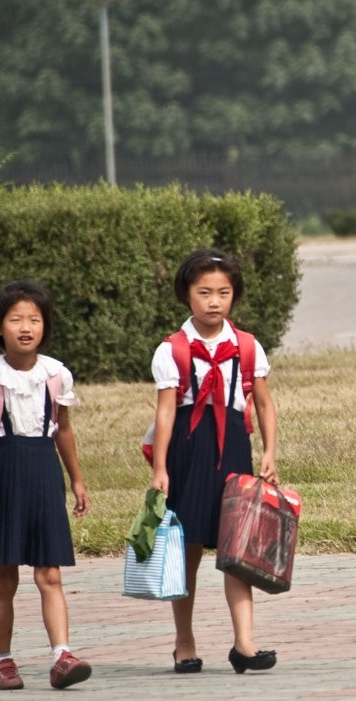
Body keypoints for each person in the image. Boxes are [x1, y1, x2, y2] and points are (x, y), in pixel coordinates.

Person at [149, 248, 280, 674]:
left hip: (235, 452)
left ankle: (245, 644)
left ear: (234, 297)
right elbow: (166, 412)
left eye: (223, 293)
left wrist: (270, 455)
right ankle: (184, 642)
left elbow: (263, 405)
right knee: (185, 550)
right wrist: (160, 468)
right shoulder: (172, 350)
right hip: (188, 452)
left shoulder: (246, 346)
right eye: (204, 292)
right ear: (186, 295)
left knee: (237, 549)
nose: (214, 301)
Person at [0, 280, 92, 690]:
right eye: (15, 318)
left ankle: (62, 656)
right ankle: (4, 662)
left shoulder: (56, 375)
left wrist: (77, 480)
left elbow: (64, 432)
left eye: (34, 319)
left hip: (43, 472)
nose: (25, 327)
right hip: (4, 473)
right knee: (5, 576)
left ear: (44, 326)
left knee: (49, 572)